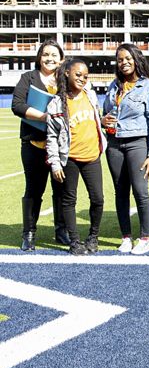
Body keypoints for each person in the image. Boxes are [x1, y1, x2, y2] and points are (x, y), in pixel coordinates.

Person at [101, 43, 149, 255]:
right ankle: (126, 236)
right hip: (114, 144)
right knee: (120, 192)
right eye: (120, 59)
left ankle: (145, 238)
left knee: (140, 191)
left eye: (128, 58)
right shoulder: (114, 85)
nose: (124, 62)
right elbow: (106, 112)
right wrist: (103, 120)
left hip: (138, 143)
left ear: (137, 59)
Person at [45, 59, 105, 255]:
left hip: (92, 156)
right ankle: (75, 241)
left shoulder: (91, 95)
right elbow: (52, 137)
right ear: (67, 74)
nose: (82, 78)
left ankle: (93, 237)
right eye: (78, 74)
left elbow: (96, 119)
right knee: (69, 200)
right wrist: (55, 164)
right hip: (69, 158)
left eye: (85, 76)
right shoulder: (56, 104)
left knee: (98, 198)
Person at [12, 39, 68, 250]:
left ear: (61, 60)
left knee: (62, 189)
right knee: (34, 189)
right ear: (39, 57)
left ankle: (61, 231)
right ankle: (29, 233)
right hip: (33, 144)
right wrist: (45, 117)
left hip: (61, 147)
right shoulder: (28, 78)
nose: (50, 58)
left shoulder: (65, 79)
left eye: (54, 55)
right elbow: (17, 105)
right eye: (46, 54)